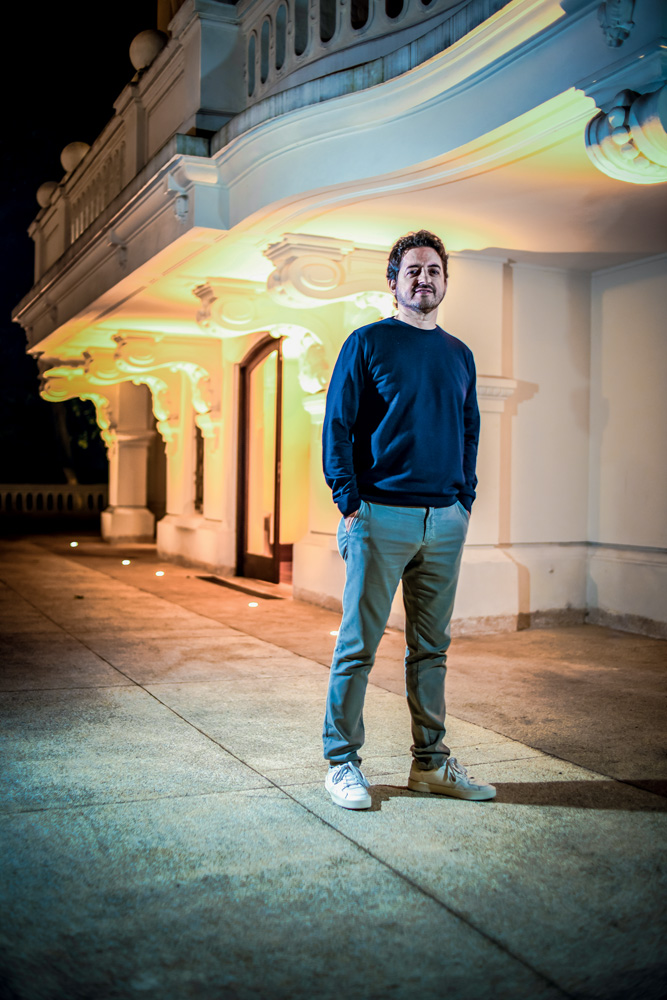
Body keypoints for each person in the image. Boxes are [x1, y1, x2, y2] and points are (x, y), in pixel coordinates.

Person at [322, 229, 496, 809]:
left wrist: (463, 499)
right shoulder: (368, 342)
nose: (425, 278)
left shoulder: (459, 354)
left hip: (444, 521)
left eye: (434, 270)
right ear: (394, 282)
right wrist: (349, 502)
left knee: (431, 649)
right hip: (379, 516)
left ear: (445, 281)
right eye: (413, 270)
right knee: (358, 647)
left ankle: (431, 764)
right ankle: (342, 762)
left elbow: (470, 431)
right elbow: (339, 426)